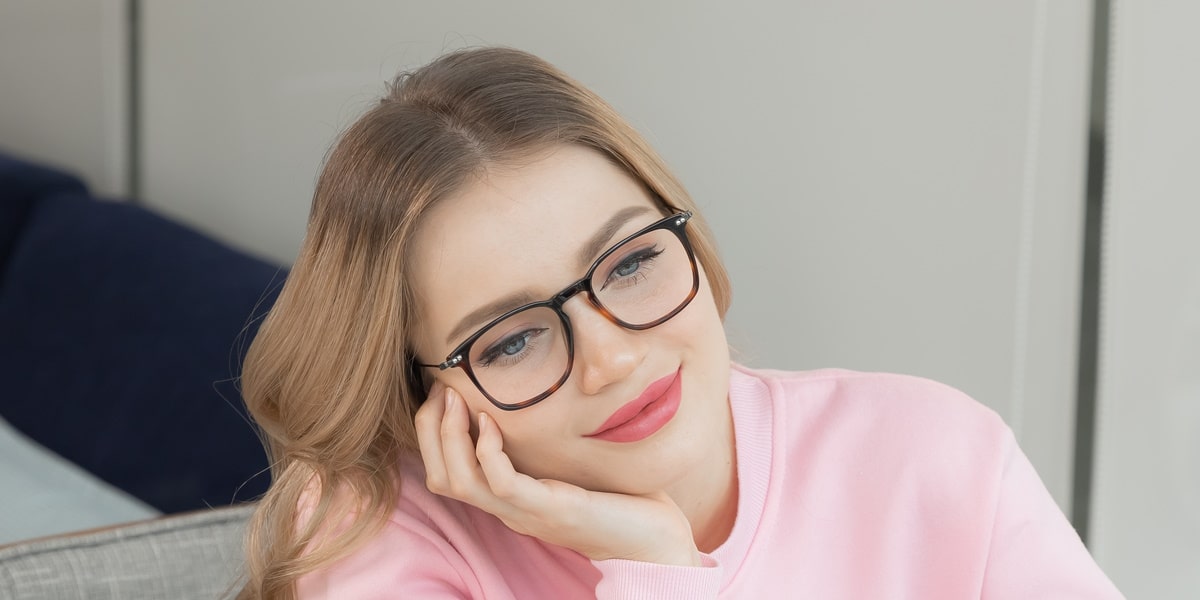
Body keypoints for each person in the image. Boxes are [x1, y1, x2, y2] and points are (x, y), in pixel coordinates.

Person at [238, 47, 1122, 599]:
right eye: (511, 338)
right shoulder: (379, 529)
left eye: (630, 264)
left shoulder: (931, 456)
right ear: (426, 387)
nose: (613, 357)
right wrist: (654, 561)